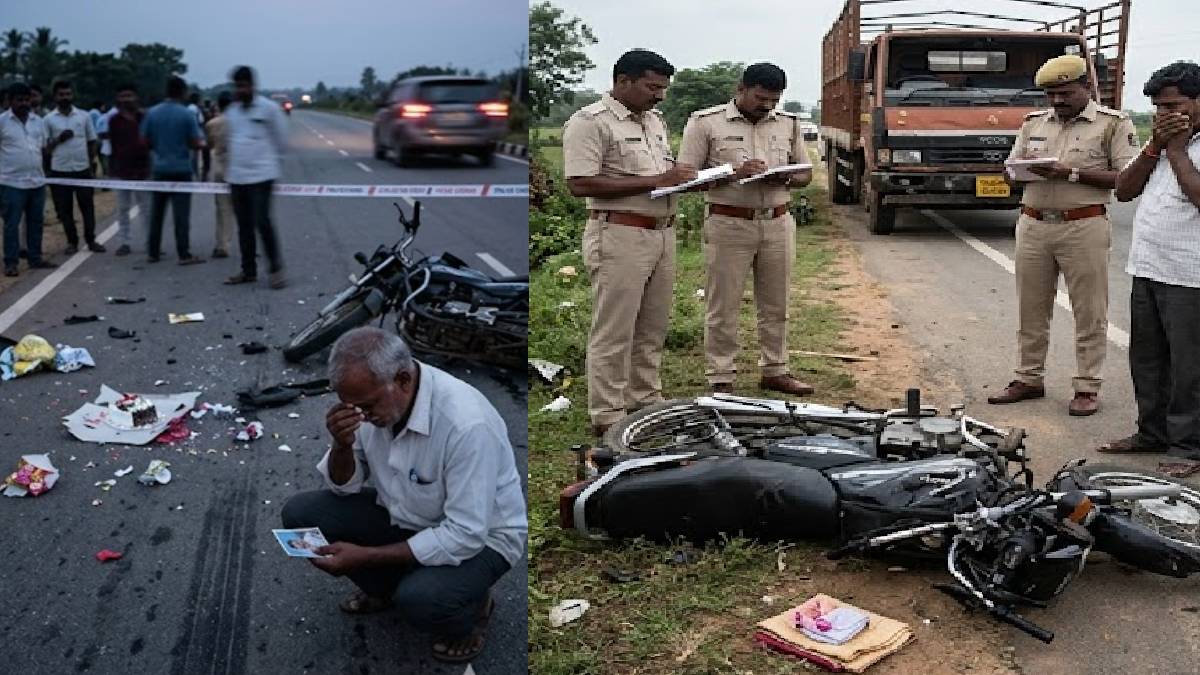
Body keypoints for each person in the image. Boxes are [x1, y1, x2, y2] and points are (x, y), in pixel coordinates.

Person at [280, 327, 526, 663]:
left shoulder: (466, 424)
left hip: (484, 539)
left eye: (367, 406)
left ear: (403, 380)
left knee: (421, 600)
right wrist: (341, 444)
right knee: (301, 514)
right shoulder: (372, 401)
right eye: (351, 407)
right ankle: (384, 590)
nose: (361, 416)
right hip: (407, 514)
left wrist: (365, 556)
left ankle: (471, 612)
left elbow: (467, 533)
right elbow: (343, 486)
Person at [987, 55, 1138, 416]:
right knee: (1031, 308)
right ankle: (1028, 378)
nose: (1057, 101)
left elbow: (1127, 178)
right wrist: (1016, 173)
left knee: (1090, 310)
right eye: (1051, 94)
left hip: (1083, 225)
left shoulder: (1112, 124)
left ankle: (1087, 386)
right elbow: (1010, 170)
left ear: (1087, 87)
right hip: (1034, 223)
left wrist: (1069, 173)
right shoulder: (1034, 123)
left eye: (1066, 93)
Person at [562, 49, 697, 436]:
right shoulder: (590, 122)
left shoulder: (653, 121)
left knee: (653, 326)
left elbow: (659, 175)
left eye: (664, 89)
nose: (660, 96)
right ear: (623, 81)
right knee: (615, 329)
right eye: (652, 87)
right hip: (619, 234)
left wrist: (682, 178)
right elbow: (579, 183)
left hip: (661, 233)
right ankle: (608, 414)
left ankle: (645, 401)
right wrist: (656, 182)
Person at [678, 63, 815, 397]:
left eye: (774, 99)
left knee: (776, 303)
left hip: (777, 222)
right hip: (728, 223)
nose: (767, 105)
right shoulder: (705, 123)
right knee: (723, 304)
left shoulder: (789, 124)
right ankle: (721, 376)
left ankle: (776, 370)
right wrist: (734, 173)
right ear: (740, 89)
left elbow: (805, 174)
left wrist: (784, 175)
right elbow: (684, 177)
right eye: (760, 97)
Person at [1098, 61, 1200, 477]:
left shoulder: (1184, 147)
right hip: (1149, 268)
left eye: (1174, 105)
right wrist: (1156, 147)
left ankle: (1189, 446)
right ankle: (1152, 432)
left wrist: (1176, 151)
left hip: (1191, 276)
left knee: (1188, 367)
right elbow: (1123, 190)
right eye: (1158, 107)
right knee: (1148, 360)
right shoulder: (1160, 144)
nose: (1165, 115)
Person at [223, 66, 288, 288]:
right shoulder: (232, 111)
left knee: (262, 221)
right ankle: (248, 270)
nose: (240, 90)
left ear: (253, 85)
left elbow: (281, 140)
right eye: (237, 86)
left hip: (262, 175)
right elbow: (230, 142)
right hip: (237, 177)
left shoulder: (269, 109)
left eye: (244, 85)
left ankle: (276, 268)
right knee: (244, 226)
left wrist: (269, 163)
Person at [140, 75, 205, 265]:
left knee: (157, 213)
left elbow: (144, 141)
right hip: (181, 169)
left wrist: (159, 148)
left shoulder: (152, 113)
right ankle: (183, 253)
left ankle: (152, 252)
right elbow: (195, 142)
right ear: (182, 92)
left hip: (160, 168)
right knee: (181, 215)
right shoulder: (186, 114)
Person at [1, 83, 56, 277]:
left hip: (37, 182)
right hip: (11, 184)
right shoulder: (2, 122)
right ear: (10, 101)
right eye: (20, 100)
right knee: (11, 224)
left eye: (27, 99)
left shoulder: (38, 121)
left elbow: (42, 149)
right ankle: (10, 263)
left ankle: (35, 258)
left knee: (36, 222)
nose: (24, 103)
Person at [43, 80, 103, 254]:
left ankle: (91, 240)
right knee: (65, 210)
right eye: (61, 94)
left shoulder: (83, 116)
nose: (65, 97)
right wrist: (59, 139)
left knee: (87, 207)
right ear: (55, 96)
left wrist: (91, 163)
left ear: (72, 95)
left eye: (68, 94)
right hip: (59, 170)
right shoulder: (48, 119)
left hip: (82, 169)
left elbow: (92, 141)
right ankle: (72, 242)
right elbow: (45, 148)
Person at [107, 83, 151, 257]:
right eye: (123, 96)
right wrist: (111, 170)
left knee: (146, 209)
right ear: (118, 99)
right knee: (122, 208)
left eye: (129, 95)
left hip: (143, 170)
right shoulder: (114, 120)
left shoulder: (145, 118)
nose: (126, 99)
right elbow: (113, 146)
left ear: (136, 97)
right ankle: (124, 242)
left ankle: (151, 242)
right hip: (122, 171)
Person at [203, 92, 235, 258]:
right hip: (240, 171)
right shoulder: (240, 123)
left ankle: (222, 245)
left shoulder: (212, 124)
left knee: (223, 209)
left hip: (221, 169)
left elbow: (208, 145)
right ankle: (249, 245)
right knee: (244, 210)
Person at [186, 92, 205, 179]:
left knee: (191, 156)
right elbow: (200, 121)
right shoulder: (196, 109)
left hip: (189, 135)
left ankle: (193, 173)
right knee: (195, 157)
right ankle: (196, 174)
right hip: (196, 134)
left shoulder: (188, 108)